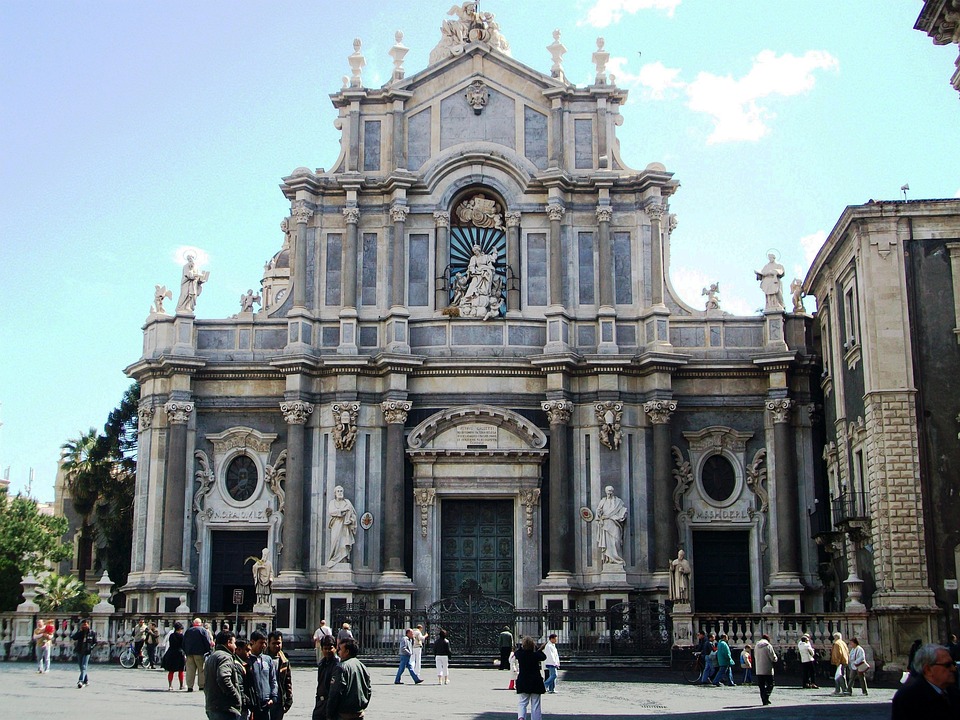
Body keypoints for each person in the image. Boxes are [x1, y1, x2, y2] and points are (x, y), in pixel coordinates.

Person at [892, 643, 960, 718]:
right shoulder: (908, 697)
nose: (953, 669)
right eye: (947, 665)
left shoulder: (954, 692)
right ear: (928, 670)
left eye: (953, 664)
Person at [327, 638, 372, 719]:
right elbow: (368, 690)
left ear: (347, 652)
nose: (338, 652)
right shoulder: (363, 666)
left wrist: (329, 714)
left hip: (343, 714)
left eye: (340, 649)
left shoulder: (341, 667)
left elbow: (335, 693)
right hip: (359, 713)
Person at [204, 630, 243, 720]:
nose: (236, 646)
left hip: (212, 705)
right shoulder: (226, 657)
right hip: (225, 708)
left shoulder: (212, 656)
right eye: (234, 643)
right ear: (228, 642)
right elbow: (223, 678)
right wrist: (235, 696)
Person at [247, 630, 279, 720]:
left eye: (265, 643)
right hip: (252, 705)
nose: (263, 646)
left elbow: (273, 680)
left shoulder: (267, 659)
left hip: (266, 703)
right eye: (261, 643)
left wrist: (273, 697)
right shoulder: (247, 660)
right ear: (252, 642)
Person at [514, 636, 547, 720]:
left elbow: (516, 652)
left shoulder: (520, 654)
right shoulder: (535, 655)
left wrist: (523, 646)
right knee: (535, 703)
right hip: (535, 681)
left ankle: (521, 717)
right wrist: (539, 649)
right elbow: (543, 657)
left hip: (523, 680)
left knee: (522, 702)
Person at [594, 485, 627, 564]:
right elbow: (598, 511)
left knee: (616, 541)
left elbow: (623, 511)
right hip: (606, 524)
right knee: (607, 543)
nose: (610, 493)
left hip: (615, 524)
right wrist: (599, 514)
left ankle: (617, 559)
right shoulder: (603, 501)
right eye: (608, 491)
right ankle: (609, 560)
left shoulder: (618, 501)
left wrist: (623, 515)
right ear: (606, 492)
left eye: (611, 491)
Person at [327, 485, 358, 566]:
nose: (340, 493)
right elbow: (331, 511)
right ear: (335, 493)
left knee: (344, 544)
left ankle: (343, 560)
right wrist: (343, 510)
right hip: (336, 525)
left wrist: (351, 520)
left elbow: (354, 515)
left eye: (341, 491)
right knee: (335, 542)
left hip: (345, 526)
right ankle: (334, 559)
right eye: (338, 491)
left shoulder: (347, 502)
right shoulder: (332, 502)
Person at [267, 631, 293, 720]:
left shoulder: (284, 661)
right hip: (265, 701)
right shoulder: (263, 658)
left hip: (279, 701)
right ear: (268, 643)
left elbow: (288, 681)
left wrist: (289, 699)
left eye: (278, 643)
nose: (276, 646)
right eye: (273, 643)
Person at [312, 635, 339, 720]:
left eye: (330, 648)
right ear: (322, 649)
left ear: (335, 648)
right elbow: (319, 684)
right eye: (325, 648)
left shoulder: (338, 665)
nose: (328, 651)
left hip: (332, 704)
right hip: (320, 703)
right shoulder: (322, 664)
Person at [185, 617, 215, 692]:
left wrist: (186, 651)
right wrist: (209, 651)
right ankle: (201, 685)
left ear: (193, 623)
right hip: (200, 653)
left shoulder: (188, 630)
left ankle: (190, 686)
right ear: (200, 624)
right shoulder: (203, 630)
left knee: (190, 670)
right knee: (201, 669)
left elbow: (184, 642)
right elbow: (207, 641)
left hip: (189, 653)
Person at [71, 618, 98, 689]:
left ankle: (81, 681)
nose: (84, 626)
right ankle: (86, 680)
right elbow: (73, 638)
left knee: (84, 666)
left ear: (88, 624)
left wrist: (91, 647)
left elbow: (95, 642)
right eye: (83, 625)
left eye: (85, 624)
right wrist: (79, 631)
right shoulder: (80, 632)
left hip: (87, 651)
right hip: (79, 650)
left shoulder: (92, 633)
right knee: (81, 667)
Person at [753, 633, 778, 706]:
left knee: (761, 685)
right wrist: (775, 659)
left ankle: (764, 699)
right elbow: (773, 657)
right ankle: (766, 695)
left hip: (759, 669)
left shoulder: (756, 646)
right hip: (767, 669)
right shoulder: (768, 646)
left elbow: (755, 656)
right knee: (770, 684)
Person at [162, 621, 187, 690]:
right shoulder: (181, 636)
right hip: (179, 653)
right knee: (181, 670)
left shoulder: (171, 635)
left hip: (171, 653)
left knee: (171, 670)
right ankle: (181, 685)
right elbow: (183, 645)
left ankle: (170, 685)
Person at [830, 631, 849, 695]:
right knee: (839, 675)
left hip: (840, 661)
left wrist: (837, 662)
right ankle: (837, 689)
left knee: (840, 676)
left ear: (836, 637)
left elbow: (838, 653)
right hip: (844, 660)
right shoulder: (843, 643)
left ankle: (844, 689)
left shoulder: (836, 644)